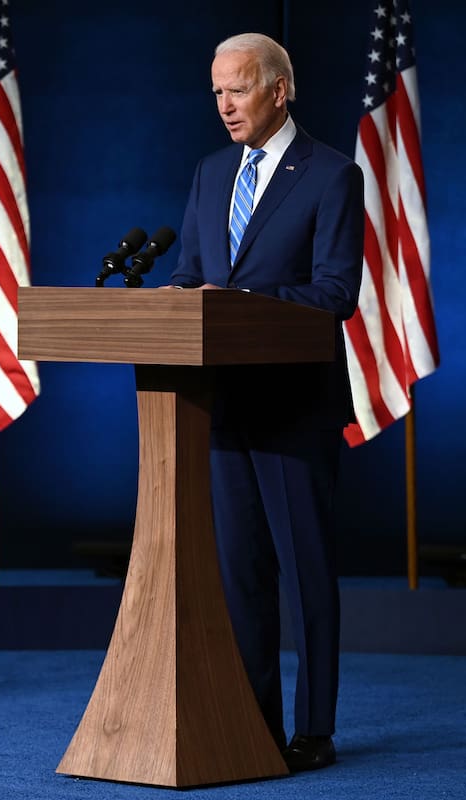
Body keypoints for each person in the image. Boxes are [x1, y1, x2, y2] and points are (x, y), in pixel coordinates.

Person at [167, 33, 365, 772]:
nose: (224, 105)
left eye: (238, 89)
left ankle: (314, 729)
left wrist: (241, 301)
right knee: (240, 574)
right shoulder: (209, 173)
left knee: (305, 571)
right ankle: (255, 722)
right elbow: (193, 276)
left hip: (293, 407)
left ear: (280, 89)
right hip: (223, 406)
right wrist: (179, 302)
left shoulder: (332, 175)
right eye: (216, 90)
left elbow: (334, 293)